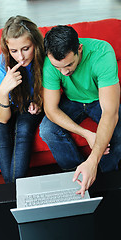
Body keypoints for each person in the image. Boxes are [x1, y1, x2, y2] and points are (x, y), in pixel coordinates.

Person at [39, 25, 121, 197]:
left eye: (68, 65)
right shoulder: (49, 62)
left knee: (117, 129)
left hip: (98, 99)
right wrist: (86, 133)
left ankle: (106, 176)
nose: (64, 72)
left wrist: (93, 160)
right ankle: (76, 176)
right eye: (58, 67)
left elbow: (109, 112)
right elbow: (51, 109)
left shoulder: (102, 53)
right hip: (72, 101)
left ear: (79, 48)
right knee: (47, 130)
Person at [0, 15, 45, 183]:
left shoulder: (45, 58)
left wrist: (40, 102)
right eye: (14, 51)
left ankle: (13, 190)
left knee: (24, 130)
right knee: (0, 134)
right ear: (7, 49)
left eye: (25, 48)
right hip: (3, 103)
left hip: (30, 102)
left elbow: (57, 89)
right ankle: (14, 191)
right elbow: (3, 119)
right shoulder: (1, 65)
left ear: (35, 42)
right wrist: (4, 91)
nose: (20, 57)